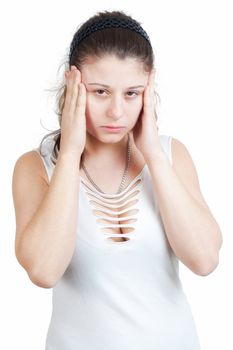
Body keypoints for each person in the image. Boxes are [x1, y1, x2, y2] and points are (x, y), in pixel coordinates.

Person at [12, 10, 223, 350]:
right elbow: (43, 271)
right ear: (73, 85)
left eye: (131, 93)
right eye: (99, 92)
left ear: (148, 89)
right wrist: (69, 154)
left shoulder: (171, 155)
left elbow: (204, 260)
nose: (116, 112)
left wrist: (153, 155)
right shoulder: (37, 166)